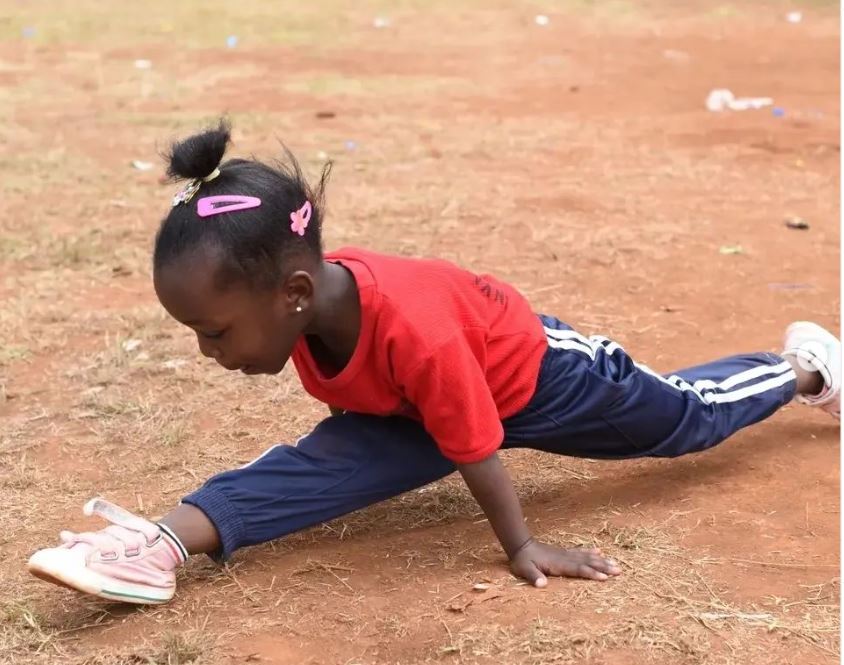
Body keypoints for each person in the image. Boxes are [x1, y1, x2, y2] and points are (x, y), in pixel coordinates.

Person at [27, 121, 840, 605]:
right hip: (414, 407)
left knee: (679, 421)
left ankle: (798, 367)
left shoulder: (415, 327)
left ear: (295, 294)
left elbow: (475, 441)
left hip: (538, 378)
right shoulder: (308, 311)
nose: (211, 354)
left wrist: (522, 545)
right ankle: (158, 546)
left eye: (215, 333)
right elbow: (393, 437)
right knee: (315, 469)